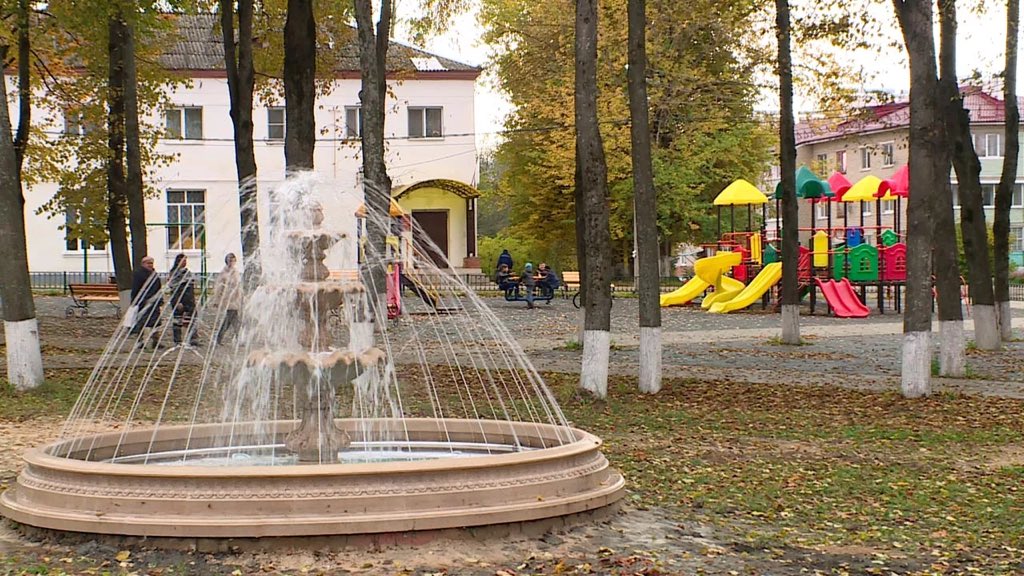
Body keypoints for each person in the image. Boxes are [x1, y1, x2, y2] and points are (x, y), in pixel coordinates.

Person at [131, 255, 163, 349]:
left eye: (151, 263)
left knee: (156, 322)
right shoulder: (139, 274)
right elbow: (135, 288)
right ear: (143, 264)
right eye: (148, 263)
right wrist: (135, 301)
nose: (150, 265)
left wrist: (160, 299)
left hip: (154, 301)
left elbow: (159, 288)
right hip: (143, 302)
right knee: (141, 322)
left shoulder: (154, 274)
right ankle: (140, 341)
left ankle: (155, 341)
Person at [168, 254, 199, 347]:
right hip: (180, 300)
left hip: (189, 300)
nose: (185, 262)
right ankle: (177, 340)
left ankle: (193, 339)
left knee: (192, 319)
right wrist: (177, 301)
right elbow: (174, 289)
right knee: (178, 320)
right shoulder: (175, 273)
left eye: (185, 261)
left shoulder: (187, 272)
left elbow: (190, 287)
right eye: (183, 261)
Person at [214, 253, 242, 345]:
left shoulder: (236, 272)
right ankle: (238, 338)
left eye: (233, 260)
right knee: (231, 319)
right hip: (228, 299)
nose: (232, 262)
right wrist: (217, 300)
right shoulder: (224, 273)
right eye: (230, 260)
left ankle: (220, 337)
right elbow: (219, 287)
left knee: (232, 319)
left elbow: (238, 286)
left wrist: (241, 297)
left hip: (236, 299)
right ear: (227, 261)